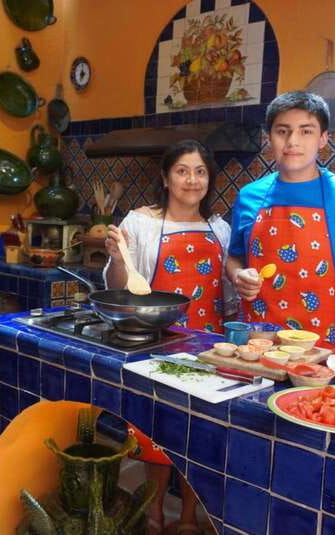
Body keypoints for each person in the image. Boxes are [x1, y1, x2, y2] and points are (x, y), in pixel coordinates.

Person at [104, 139, 237, 535]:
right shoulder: (140, 224)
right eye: (182, 171)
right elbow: (120, 285)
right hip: (158, 347)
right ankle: (155, 511)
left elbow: (227, 298)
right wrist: (116, 256)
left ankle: (189, 517)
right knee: (156, 435)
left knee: (203, 439)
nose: (191, 180)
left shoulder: (221, 229)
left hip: (209, 349)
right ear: (165, 177)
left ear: (209, 180)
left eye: (200, 172)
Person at [226, 91, 335, 351]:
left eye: (306, 131)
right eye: (282, 131)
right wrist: (238, 274)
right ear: (269, 138)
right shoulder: (248, 196)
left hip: (322, 354)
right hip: (256, 348)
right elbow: (234, 258)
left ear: (323, 139)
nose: (292, 141)